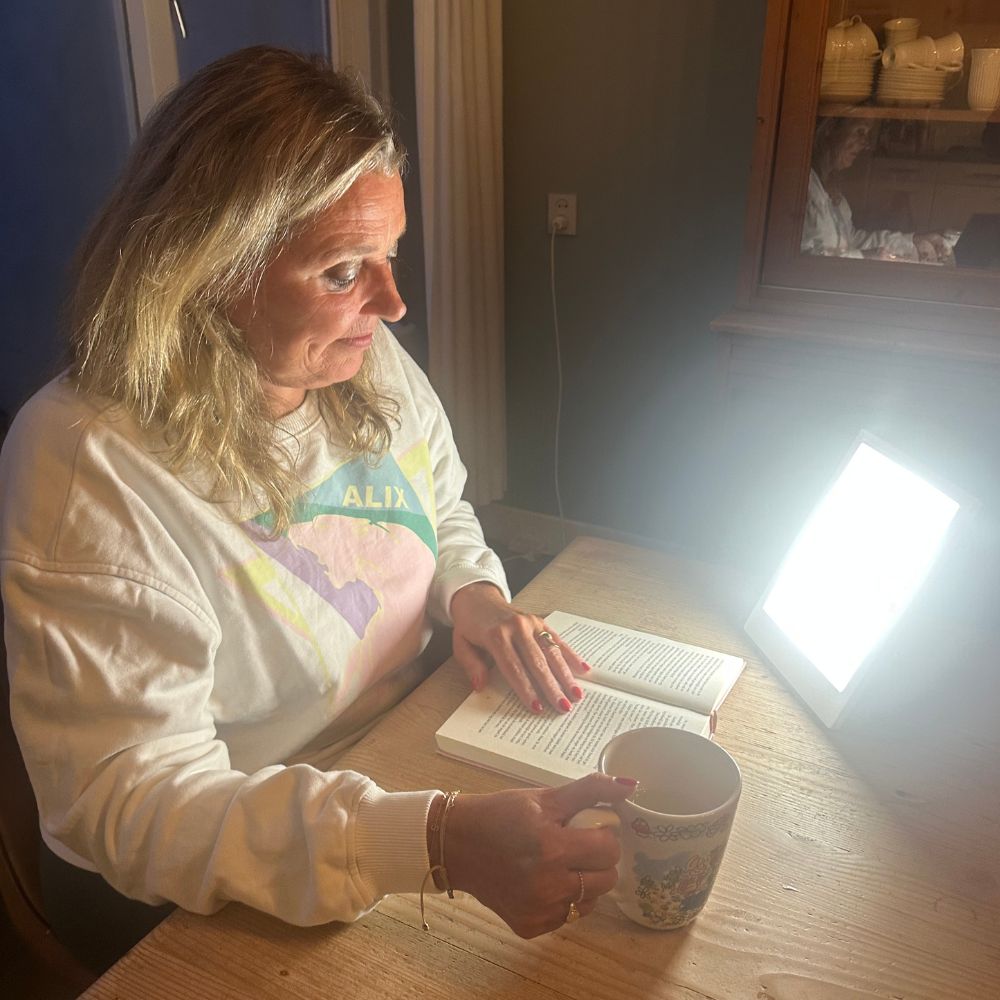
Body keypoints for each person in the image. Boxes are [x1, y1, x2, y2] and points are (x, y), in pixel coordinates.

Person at [0, 47, 632, 972]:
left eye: (389, 256)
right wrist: (430, 842)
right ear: (206, 266)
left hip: (405, 755)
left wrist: (475, 596)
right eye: (342, 270)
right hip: (200, 884)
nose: (391, 301)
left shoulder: (357, 356)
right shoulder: (87, 463)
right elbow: (129, 806)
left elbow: (442, 506)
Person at [801, 117, 951, 263]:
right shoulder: (802, 185)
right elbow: (806, 260)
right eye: (859, 132)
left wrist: (912, 241)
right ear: (829, 130)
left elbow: (851, 240)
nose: (866, 144)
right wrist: (864, 257)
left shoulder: (829, 185)